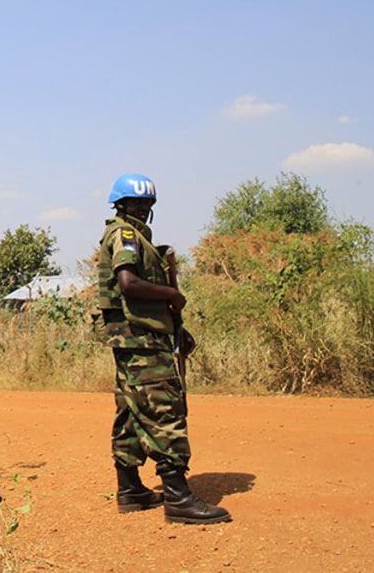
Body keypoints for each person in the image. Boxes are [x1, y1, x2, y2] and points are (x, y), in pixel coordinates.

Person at [94, 173, 231, 525]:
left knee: (131, 410)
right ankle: (178, 497)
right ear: (120, 205)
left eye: (148, 204)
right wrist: (172, 295)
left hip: (135, 337)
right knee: (164, 409)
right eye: (136, 203)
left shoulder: (135, 235)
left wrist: (177, 327)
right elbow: (128, 283)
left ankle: (131, 489)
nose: (142, 209)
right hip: (141, 339)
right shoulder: (125, 235)